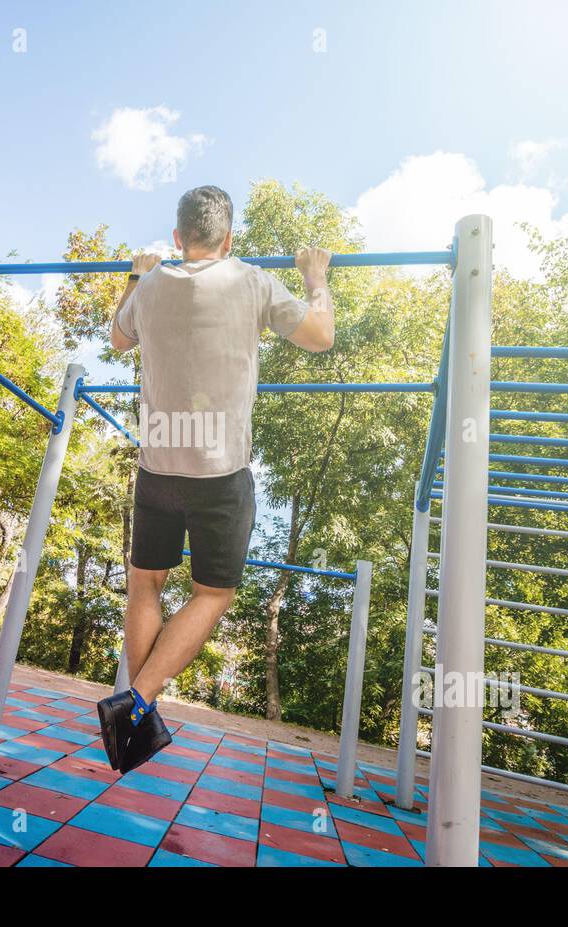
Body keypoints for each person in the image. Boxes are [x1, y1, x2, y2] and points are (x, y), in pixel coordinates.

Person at [97, 184, 335, 773]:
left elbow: (117, 338)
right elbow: (321, 337)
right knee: (214, 593)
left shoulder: (151, 286)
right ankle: (136, 701)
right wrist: (314, 276)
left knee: (145, 582)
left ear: (178, 239)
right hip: (218, 474)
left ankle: (136, 710)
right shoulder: (251, 280)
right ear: (229, 239)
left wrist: (135, 274)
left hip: (157, 464)